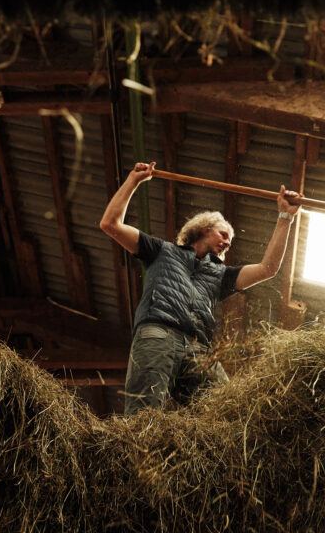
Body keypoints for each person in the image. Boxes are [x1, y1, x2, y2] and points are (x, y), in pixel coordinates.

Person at [100, 161, 303, 414]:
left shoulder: (221, 275)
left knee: (228, 412)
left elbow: (268, 269)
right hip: (158, 333)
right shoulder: (162, 251)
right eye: (224, 235)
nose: (227, 243)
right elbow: (110, 224)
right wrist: (133, 180)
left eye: (230, 240)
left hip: (199, 348)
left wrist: (285, 217)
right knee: (144, 413)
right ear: (204, 229)